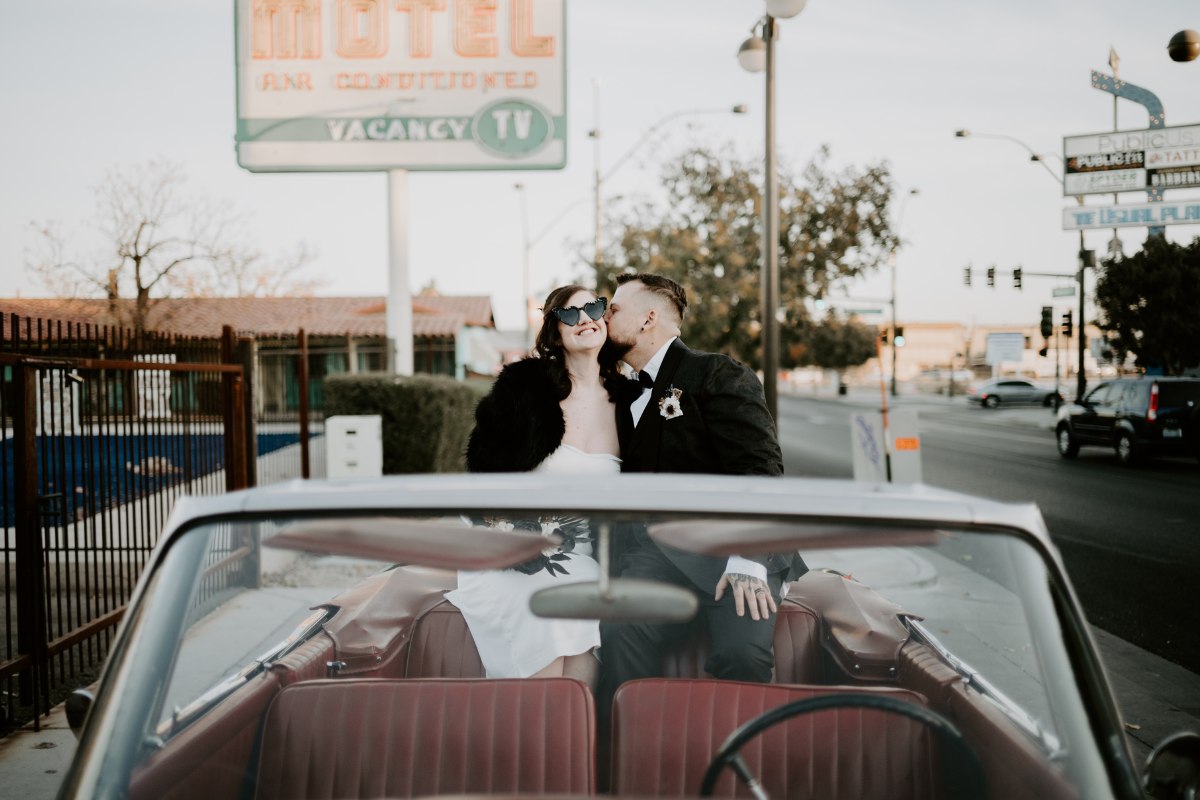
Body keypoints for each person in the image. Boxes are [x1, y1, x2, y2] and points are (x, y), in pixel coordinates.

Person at [598, 272, 808, 699]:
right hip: (655, 555)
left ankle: (734, 758)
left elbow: (761, 469)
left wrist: (749, 560)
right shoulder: (617, 392)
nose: (603, 318)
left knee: (744, 656)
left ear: (647, 319)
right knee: (618, 632)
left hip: (729, 548)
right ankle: (638, 748)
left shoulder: (716, 374)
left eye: (613, 309)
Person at [446, 285, 631, 691]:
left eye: (594, 307)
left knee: (585, 626)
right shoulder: (524, 387)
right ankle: (538, 736)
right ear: (554, 331)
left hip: (581, 556)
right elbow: (484, 474)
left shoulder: (629, 399)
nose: (584, 318)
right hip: (509, 549)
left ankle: (571, 742)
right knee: (547, 613)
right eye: (569, 314)